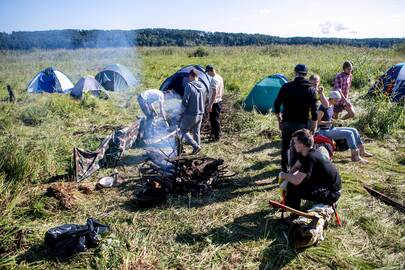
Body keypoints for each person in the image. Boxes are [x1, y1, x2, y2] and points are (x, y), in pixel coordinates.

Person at [279, 129, 341, 211]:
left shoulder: (309, 158)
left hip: (331, 193)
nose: (294, 145)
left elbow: (296, 180)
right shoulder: (307, 153)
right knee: (292, 183)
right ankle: (287, 204)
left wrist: (283, 175)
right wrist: (287, 177)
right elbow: (296, 167)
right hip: (325, 186)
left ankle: (294, 213)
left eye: (295, 142)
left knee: (293, 186)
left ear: (301, 144)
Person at [274, 64, 318, 172]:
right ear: (306, 74)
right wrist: (314, 124)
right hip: (302, 123)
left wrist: (279, 118)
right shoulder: (311, 89)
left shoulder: (286, 86)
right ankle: (298, 170)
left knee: (285, 147)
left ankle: (284, 169)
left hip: (287, 122)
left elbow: (277, 103)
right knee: (301, 147)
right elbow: (314, 110)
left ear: (295, 73)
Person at [317, 90, 372, 163]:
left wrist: (337, 120)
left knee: (354, 130)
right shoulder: (323, 107)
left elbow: (328, 118)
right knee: (348, 133)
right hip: (324, 131)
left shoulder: (331, 105)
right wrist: (330, 122)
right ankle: (355, 156)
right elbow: (318, 122)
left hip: (330, 128)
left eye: (338, 101)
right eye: (336, 101)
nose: (337, 103)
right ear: (331, 98)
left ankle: (362, 151)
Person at [179, 69, 207, 154]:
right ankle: (197, 151)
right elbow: (205, 99)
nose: (188, 79)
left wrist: (181, 111)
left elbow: (185, 101)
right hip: (200, 113)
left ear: (191, 76)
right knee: (196, 132)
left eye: (189, 77)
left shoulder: (189, 86)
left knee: (182, 130)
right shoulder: (203, 86)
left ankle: (195, 146)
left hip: (190, 114)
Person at [206, 64, 224, 141]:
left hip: (215, 102)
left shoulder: (214, 79)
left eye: (208, 72)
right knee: (214, 118)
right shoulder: (220, 77)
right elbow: (222, 89)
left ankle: (217, 136)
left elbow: (214, 92)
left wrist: (210, 104)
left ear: (211, 70)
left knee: (214, 119)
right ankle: (214, 133)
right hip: (219, 100)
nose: (207, 74)